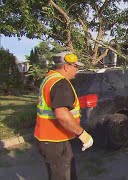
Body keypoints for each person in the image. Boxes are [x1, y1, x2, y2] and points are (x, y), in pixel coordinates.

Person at [34, 52, 93, 180]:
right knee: (61, 175)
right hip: (54, 140)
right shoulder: (60, 83)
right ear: (66, 67)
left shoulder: (49, 78)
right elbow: (61, 114)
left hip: (52, 138)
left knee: (67, 172)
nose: (77, 69)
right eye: (75, 66)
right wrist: (82, 134)